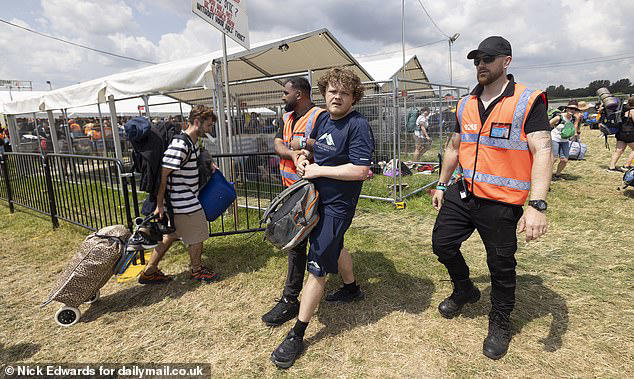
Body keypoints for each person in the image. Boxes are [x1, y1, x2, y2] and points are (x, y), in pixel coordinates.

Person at [431, 36, 552, 360]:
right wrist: (442, 185)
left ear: (506, 61)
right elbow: (455, 146)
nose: (481, 64)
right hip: (464, 192)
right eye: (477, 60)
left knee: (500, 266)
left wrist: (537, 205)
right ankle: (464, 288)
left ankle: (499, 322)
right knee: (442, 244)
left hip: (502, 203)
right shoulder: (466, 103)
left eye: (488, 58)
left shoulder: (528, 100)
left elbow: (542, 149)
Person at [270, 68, 374, 369]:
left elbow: (360, 170)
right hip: (315, 199)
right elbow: (315, 145)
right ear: (324, 93)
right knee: (335, 247)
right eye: (332, 91)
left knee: (317, 264)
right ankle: (352, 289)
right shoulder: (324, 119)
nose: (337, 96)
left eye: (344, 92)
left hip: (338, 206)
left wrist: (319, 171)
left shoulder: (358, 125)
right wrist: (302, 156)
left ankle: (297, 333)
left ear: (353, 96)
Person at [261, 77, 329, 327]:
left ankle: (291, 300)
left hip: (313, 193)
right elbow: (278, 142)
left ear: (299, 94)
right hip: (291, 191)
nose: (282, 97)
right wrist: (291, 152)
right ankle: (349, 285)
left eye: (285, 92)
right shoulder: (287, 117)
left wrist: (306, 148)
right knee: (301, 244)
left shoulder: (320, 117)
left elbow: (328, 147)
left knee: (307, 244)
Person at [138, 105, 219, 284]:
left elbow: (197, 157)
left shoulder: (192, 142)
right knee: (198, 234)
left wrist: (210, 163)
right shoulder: (181, 145)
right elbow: (163, 175)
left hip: (181, 200)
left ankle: (149, 272)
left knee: (171, 235)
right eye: (209, 125)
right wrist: (160, 205)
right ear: (197, 122)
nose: (210, 129)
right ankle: (197, 271)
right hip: (183, 202)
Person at [549, 100, 584, 179]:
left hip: (565, 140)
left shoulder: (573, 119)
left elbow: (574, 130)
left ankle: (557, 174)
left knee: (564, 160)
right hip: (554, 138)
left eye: (575, 109)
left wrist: (577, 120)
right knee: (554, 158)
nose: (572, 110)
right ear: (567, 108)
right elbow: (548, 124)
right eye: (571, 108)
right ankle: (547, 174)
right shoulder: (559, 117)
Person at [607, 96, 634, 172]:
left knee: (618, 150)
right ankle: (626, 166)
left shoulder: (623, 110)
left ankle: (611, 167)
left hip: (621, 133)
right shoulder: (632, 111)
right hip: (629, 133)